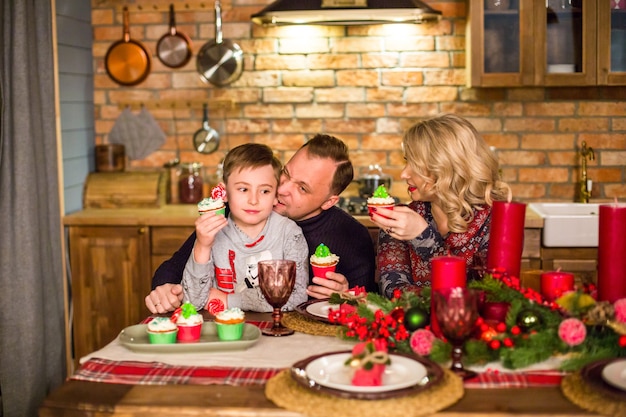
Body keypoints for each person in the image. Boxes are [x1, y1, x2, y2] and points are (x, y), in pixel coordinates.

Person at [146, 134, 377, 314]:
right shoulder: (238, 214)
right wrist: (165, 289)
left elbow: (373, 305)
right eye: (286, 173)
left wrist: (348, 296)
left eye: (302, 188)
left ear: (329, 202)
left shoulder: (351, 235)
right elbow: (176, 267)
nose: (282, 188)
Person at [370, 114, 512, 299]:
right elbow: (392, 292)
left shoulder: (496, 220)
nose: (404, 174)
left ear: (449, 168)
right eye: (407, 161)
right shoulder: (401, 219)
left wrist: (423, 237)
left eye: (418, 166)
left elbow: (488, 295)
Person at [181, 143, 308, 312]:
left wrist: (229, 300)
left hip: (274, 330)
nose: (253, 200)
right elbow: (193, 302)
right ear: (224, 192)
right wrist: (203, 246)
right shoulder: (213, 233)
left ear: (276, 195)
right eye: (243, 189)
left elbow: (297, 298)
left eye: (264, 191)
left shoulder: (290, 234)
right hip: (223, 331)